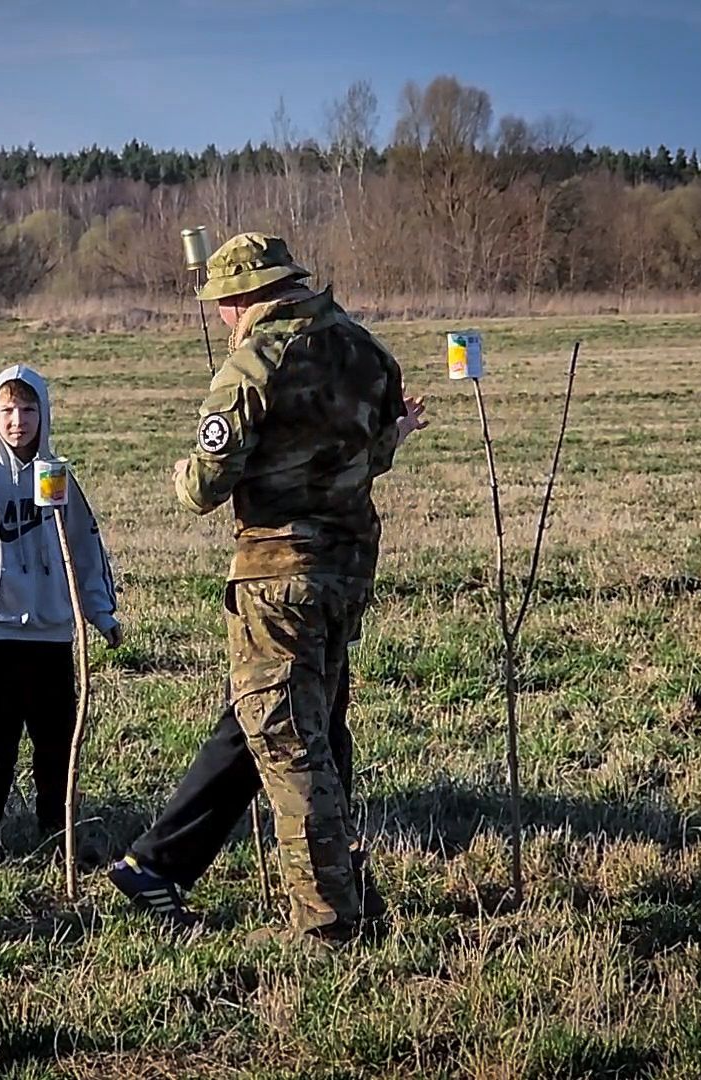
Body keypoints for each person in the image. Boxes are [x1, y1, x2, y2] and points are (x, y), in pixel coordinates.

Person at [109, 233, 425, 944]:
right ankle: (165, 866)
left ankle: (327, 920)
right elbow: (370, 454)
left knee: (288, 743)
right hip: (347, 573)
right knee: (304, 724)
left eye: (225, 305)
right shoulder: (368, 352)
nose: (224, 317)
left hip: (278, 573)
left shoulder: (256, 361)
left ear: (249, 296)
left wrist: (182, 474)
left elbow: (204, 487)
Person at [0, 364, 121, 866]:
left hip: (54, 630)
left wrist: (100, 611)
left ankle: (57, 828)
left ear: (45, 413)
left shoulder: (57, 477)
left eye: (28, 409)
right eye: (8, 411)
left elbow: (83, 547)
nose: (18, 421)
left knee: (56, 738)